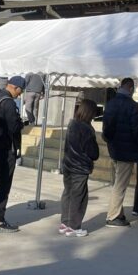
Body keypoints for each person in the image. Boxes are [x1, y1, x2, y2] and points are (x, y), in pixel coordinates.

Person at [102, 77, 138, 228]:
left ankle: (117, 212)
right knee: (120, 185)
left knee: (116, 183)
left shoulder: (111, 103)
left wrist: (109, 141)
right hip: (127, 151)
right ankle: (113, 216)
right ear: (131, 89)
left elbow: (106, 127)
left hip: (113, 149)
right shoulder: (132, 106)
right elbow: (137, 130)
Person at [0, 76, 25, 233]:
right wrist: (20, 123)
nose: (20, 95)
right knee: (4, 184)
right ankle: (0, 220)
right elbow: (13, 127)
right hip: (6, 148)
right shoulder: (8, 102)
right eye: (20, 91)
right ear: (15, 87)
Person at [59, 99, 99, 237]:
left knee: (68, 193)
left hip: (68, 165)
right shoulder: (87, 129)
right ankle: (74, 226)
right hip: (80, 167)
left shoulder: (72, 124)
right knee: (79, 196)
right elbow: (93, 152)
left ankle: (65, 223)